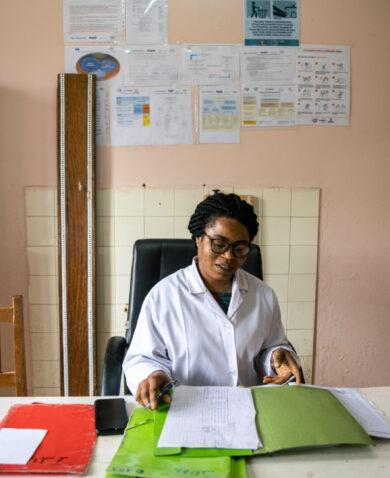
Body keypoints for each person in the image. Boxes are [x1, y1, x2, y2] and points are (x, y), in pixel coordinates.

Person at [123, 193, 301, 410]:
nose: (228, 256)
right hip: (184, 409)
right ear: (198, 238)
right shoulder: (164, 296)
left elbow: (272, 347)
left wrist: (276, 357)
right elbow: (141, 357)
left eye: (240, 248)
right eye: (219, 244)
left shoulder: (263, 295)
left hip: (248, 408)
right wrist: (154, 374)